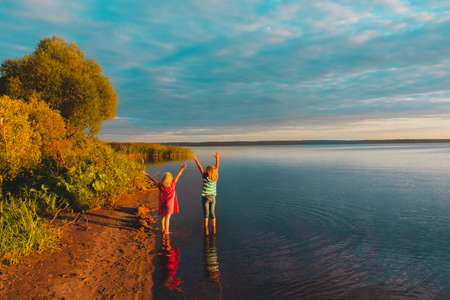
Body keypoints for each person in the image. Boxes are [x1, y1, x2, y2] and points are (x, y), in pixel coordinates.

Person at [143, 162, 186, 235]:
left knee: (162, 217)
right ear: (170, 179)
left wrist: (146, 174)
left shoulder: (160, 185)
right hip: (169, 205)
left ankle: (163, 229)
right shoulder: (172, 184)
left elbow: (153, 179)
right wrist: (182, 168)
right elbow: (178, 176)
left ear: (163, 179)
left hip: (162, 204)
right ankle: (166, 231)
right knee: (167, 218)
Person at [192, 152, 219, 235]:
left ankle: (206, 228)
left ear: (207, 172)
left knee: (206, 213)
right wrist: (217, 158)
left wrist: (196, 159)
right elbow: (217, 168)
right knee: (212, 213)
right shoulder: (215, 177)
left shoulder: (205, 177)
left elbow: (200, 167)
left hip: (205, 198)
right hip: (213, 198)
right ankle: (214, 228)